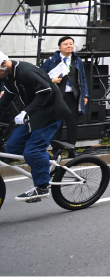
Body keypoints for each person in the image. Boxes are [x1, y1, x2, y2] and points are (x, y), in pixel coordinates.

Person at [0, 51, 71, 202]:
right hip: (35, 113)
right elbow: (5, 100)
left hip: (50, 112)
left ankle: (42, 187)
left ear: (3, 64)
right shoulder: (8, 76)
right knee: (11, 147)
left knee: (32, 151)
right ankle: (46, 161)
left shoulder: (25, 72)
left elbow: (46, 91)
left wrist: (26, 111)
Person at [41, 36, 89, 158]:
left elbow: (83, 78)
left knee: (72, 124)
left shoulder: (77, 60)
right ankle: (56, 150)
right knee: (57, 124)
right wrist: (52, 80)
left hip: (72, 96)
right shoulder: (51, 60)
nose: (69, 46)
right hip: (57, 96)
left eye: (71, 44)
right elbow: (41, 77)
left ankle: (71, 149)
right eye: (66, 44)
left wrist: (85, 94)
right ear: (59, 47)